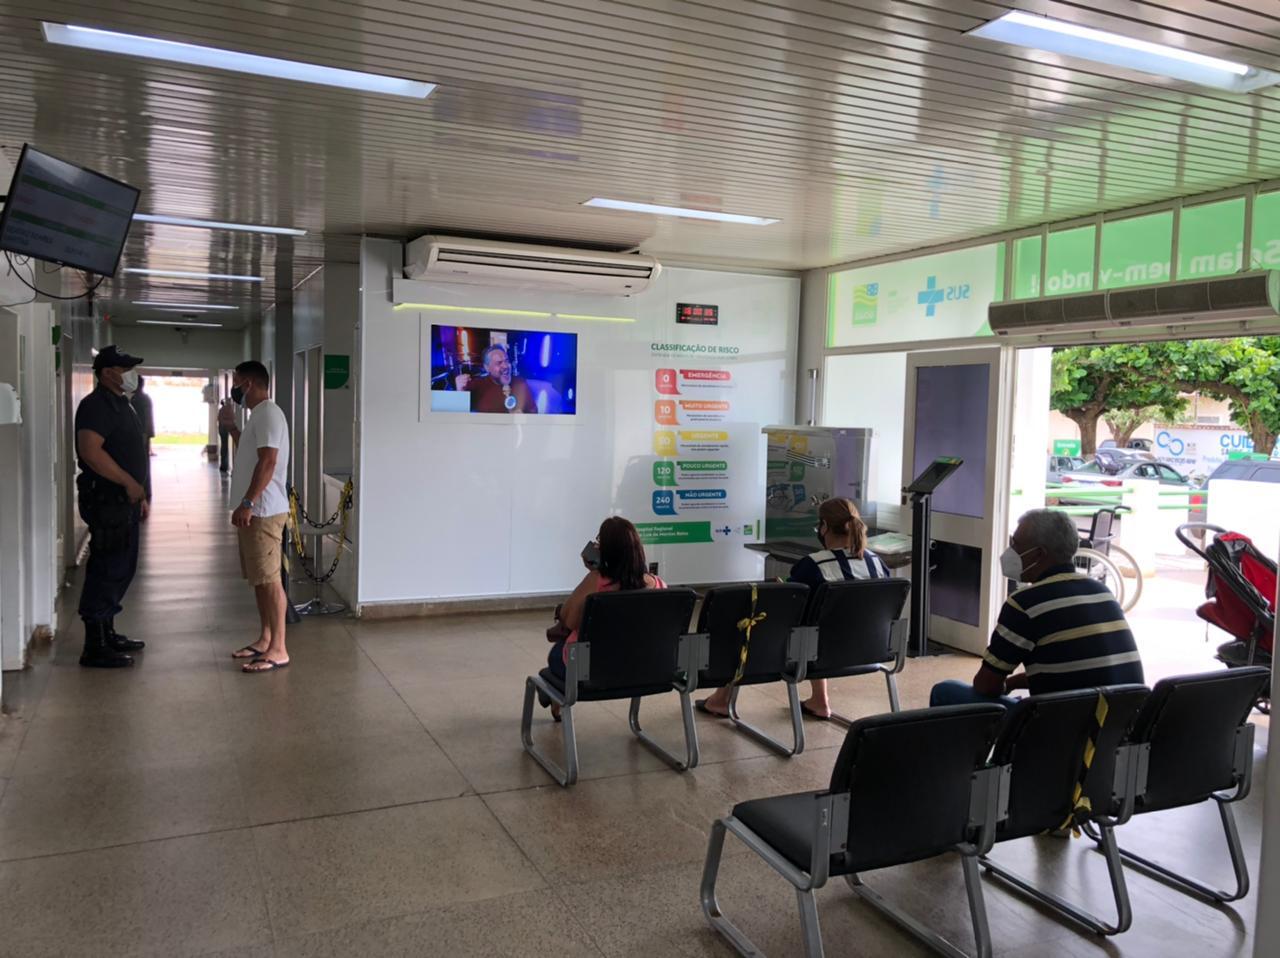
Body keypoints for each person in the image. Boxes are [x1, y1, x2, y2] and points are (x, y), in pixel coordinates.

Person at [930, 509, 1144, 708]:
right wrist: (1016, 682)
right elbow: (1079, 668)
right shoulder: (1101, 592)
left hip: (1062, 732)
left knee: (945, 691)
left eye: (1015, 544)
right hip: (1119, 725)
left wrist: (1005, 684)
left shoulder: (1025, 603)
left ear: (1039, 554)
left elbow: (986, 685)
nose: (1009, 551)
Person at [697, 497, 888, 720]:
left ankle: (721, 699)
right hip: (872, 648)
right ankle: (820, 700)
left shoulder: (815, 564)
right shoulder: (877, 563)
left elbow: (790, 608)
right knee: (819, 625)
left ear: (825, 527)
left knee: (748, 624)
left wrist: (781, 590)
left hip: (818, 652)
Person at [541, 516, 666, 720]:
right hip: (647, 670)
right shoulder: (660, 585)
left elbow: (568, 620)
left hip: (592, 672)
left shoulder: (596, 581)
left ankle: (555, 694)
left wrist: (596, 574)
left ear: (606, 550)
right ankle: (555, 695)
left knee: (557, 654)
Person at [75, 345, 150, 668]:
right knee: (108, 567)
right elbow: (91, 451)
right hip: (108, 500)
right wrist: (127, 483)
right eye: (125, 368)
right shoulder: (96, 405)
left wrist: (140, 492)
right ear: (107, 373)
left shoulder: (121, 403)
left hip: (124, 500)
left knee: (122, 566)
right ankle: (95, 645)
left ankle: (108, 630)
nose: (131, 374)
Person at [224, 360, 293, 673]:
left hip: (263, 511)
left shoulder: (267, 413)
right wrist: (232, 429)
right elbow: (251, 453)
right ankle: (266, 638)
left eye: (236, 382)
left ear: (248, 384)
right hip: (255, 511)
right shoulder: (258, 417)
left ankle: (279, 648)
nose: (234, 388)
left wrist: (248, 502)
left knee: (270, 579)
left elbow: (268, 462)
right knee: (259, 580)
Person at [455, 343, 537, 413]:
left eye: (506, 361)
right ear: (487, 368)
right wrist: (460, 392)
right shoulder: (477, 385)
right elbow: (461, 417)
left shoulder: (520, 383)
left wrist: (523, 418)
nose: (505, 366)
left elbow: (534, 413)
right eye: (499, 363)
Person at [129, 375, 156, 457]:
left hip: (141, 433)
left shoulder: (142, 399)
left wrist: (145, 434)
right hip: (136, 433)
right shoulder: (135, 398)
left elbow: (147, 418)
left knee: (141, 457)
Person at [217, 398, 235, 473]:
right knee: (224, 447)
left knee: (224, 447)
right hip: (224, 430)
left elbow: (218, 419)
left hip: (222, 429)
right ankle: (224, 464)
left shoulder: (222, 410)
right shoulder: (227, 410)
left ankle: (224, 464)